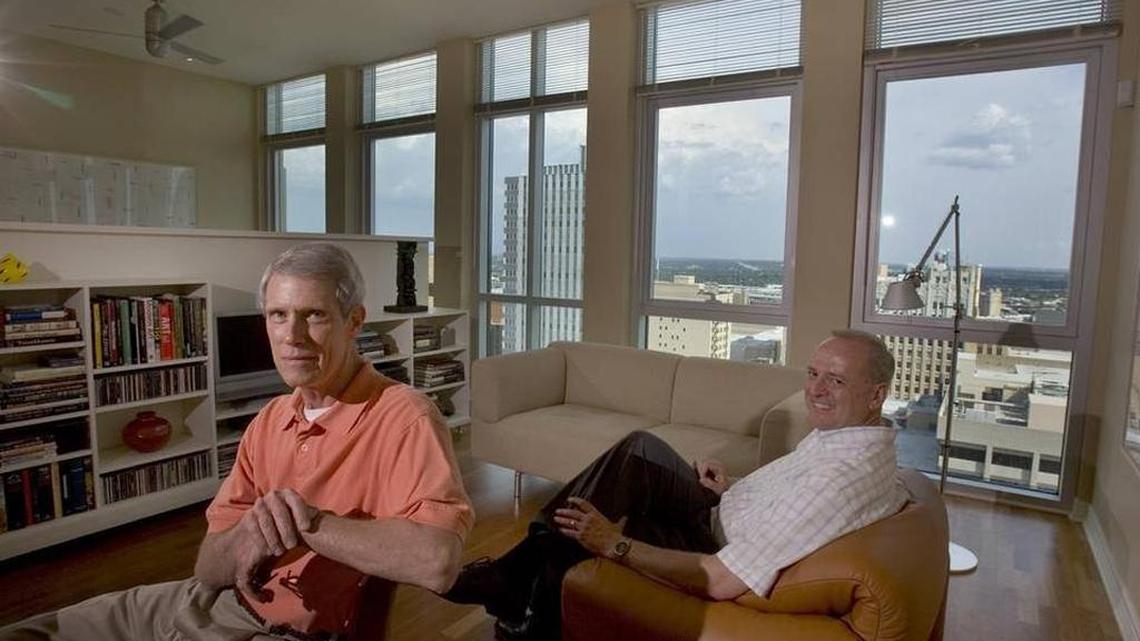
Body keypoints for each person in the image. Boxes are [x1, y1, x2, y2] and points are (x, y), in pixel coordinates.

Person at [1, 242, 473, 641]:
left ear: (354, 321)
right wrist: (251, 529)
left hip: (278, 631)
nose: (292, 336)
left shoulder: (403, 416)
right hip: (207, 602)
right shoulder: (269, 421)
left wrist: (307, 523)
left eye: (314, 315)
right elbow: (208, 568)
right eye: (278, 315)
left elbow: (437, 563)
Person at [444, 329, 908, 641]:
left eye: (836, 380)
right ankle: (518, 583)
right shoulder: (853, 440)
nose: (816, 389)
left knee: (584, 531)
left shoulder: (840, 477)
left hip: (711, 547)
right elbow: (790, 501)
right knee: (640, 448)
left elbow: (722, 579)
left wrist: (615, 544)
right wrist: (731, 487)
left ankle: (517, 591)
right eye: (813, 373)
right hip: (722, 512)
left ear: (877, 394)